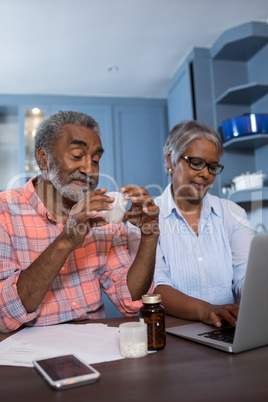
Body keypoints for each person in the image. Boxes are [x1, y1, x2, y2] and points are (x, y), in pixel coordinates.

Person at [0, 110, 159, 333]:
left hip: (92, 347)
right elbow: (3, 315)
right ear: (43, 158)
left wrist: (150, 235)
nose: (89, 170)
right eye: (77, 155)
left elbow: (130, 301)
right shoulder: (5, 211)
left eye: (95, 160)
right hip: (27, 352)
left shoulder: (103, 215)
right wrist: (66, 240)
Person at [127, 120, 254, 328]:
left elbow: (245, 276)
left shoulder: (233, 214)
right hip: (171, 333)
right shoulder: (145, 217)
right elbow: (155, 287)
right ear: (171, 160)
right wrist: (206, 310)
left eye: (212, 167)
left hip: (227, 328)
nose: (205, 173)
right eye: (196, 163)